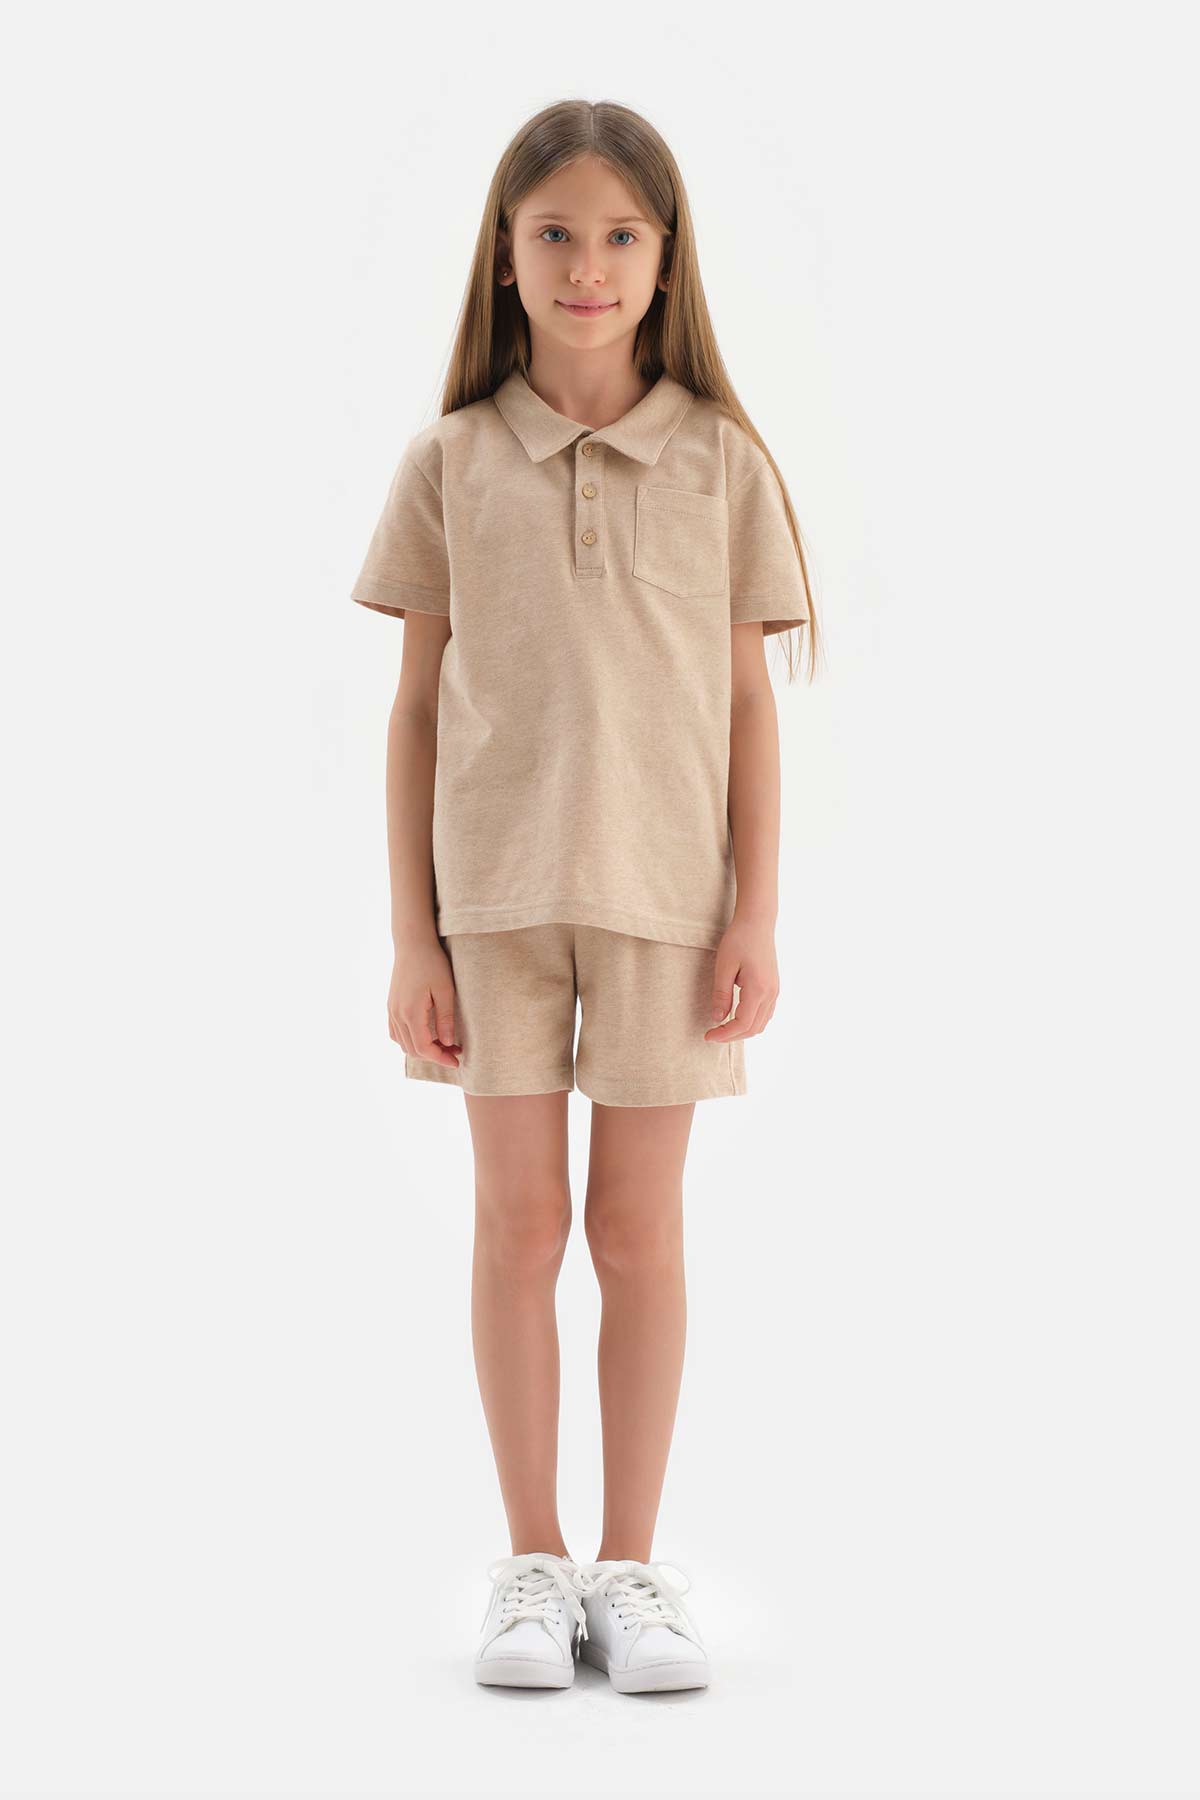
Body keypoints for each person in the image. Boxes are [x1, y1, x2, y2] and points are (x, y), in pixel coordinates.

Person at [349, 98, 820, 1695]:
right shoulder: (451, 461)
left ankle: (632, 1568)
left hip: (669, 905)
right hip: (490, 902)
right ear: (505, 253)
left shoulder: (722, 462)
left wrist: (755, 911)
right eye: (554, 232)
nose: (588, 265)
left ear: (666, 260)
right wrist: (411, 933)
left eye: (622, 235)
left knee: (635, 1229)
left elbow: (750, 704)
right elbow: (416, 708)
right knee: (518, 1223)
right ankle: (533, 1564)